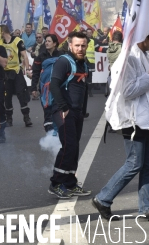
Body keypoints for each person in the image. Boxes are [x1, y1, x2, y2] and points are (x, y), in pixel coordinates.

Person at [93, 32, 149, 222]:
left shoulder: (144, 55)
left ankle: (146, 207)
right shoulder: (129, 58)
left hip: (147, 118)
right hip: (132, 120)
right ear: (144, 37)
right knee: (134, 163)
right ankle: (103, 198)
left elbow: (146, 87)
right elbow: (128, 91)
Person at [48, 31, 92, 199]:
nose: (80, 48)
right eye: (77, 45)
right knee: (69, 146)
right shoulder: (63, 62)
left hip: (77, 111)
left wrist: (83, 110)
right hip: (64, 110)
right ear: (70, 45)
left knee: (74, 147)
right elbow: (54, 85)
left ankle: (70, 183)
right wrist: (64, 108)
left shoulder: (83, 63)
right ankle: (55, 183)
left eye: (83, 45)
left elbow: (84, 88)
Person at [0, 25, 33, 127]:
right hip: (5, 72)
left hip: (16, 71)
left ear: (3, 32)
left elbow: (24, 56)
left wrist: (27, 69)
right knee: (7, 96)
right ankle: (9, 118)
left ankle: (26, 117)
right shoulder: (0, 43)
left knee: (21, 93)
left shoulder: (17, 41)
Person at [31, 34, 64, 133]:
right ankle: (50, 134)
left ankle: (58, 134)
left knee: (56, 110)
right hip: (45, 90)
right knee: (47, 111)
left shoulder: (61, 55)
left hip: (59, 88)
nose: (46, 43)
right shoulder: (41, 56)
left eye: (49, 41)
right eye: (46, 41)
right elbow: (36, 73)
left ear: (54, 43)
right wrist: (33, 88)